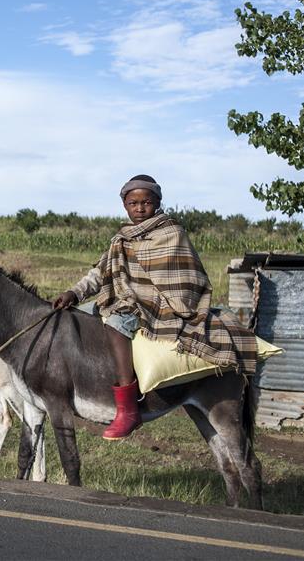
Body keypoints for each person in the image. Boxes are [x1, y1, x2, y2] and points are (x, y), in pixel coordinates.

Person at [52, 174, 257, 440]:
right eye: (133, 203)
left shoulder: (171, 232)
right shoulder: (121, 238)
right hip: (127, 297)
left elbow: (187, 275)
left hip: (162, 303)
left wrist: (145, 296)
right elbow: (100, 272)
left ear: (157, 202)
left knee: (115, 323)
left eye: (146, 202)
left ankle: (127, 408)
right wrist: (73, 293)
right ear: (125, 205)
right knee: (83, 315)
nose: (139, 208)